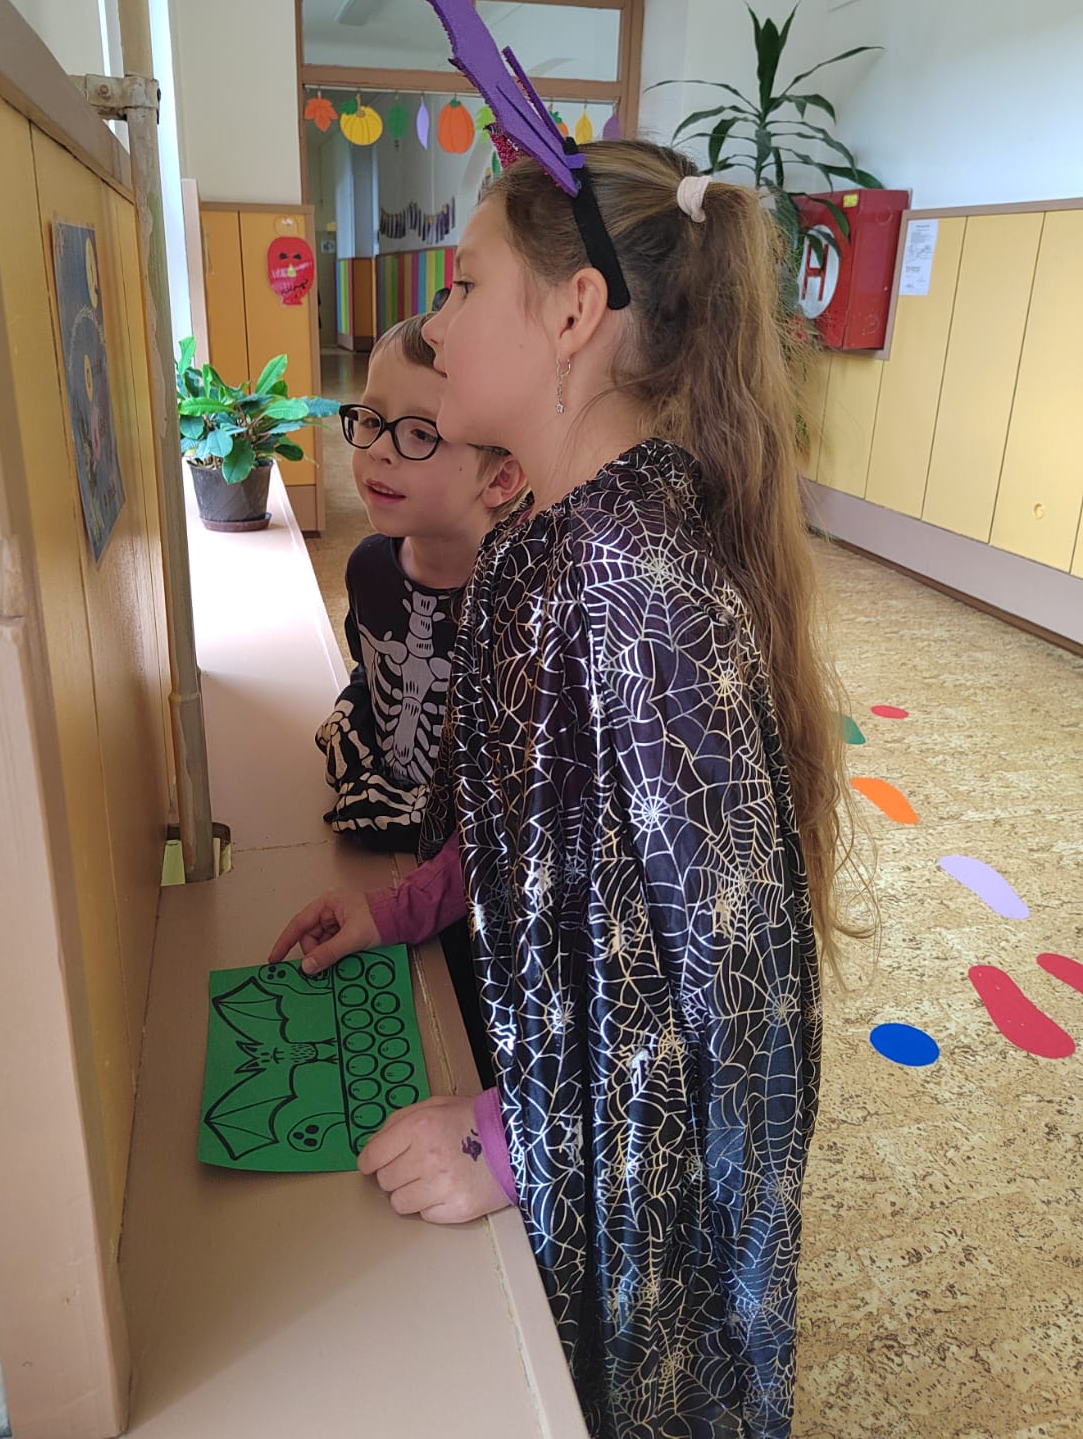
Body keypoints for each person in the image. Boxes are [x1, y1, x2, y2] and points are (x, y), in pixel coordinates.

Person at [271, 141, 859, 1439]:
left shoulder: (634, 587)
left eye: (464, 284)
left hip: (634, 1238)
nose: (434, 322)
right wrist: (403, 912)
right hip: (570, 1138)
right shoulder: (559, 545)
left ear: (575, 313)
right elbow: (554, 868)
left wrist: (513, 1139)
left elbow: (735, 1006)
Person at [315, 311, 524, 1080]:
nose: (376, 450)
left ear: (500, 478)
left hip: (484, 899)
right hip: (381, 861)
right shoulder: (368, 568)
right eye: (371, 420)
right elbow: (370, 675)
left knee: (469, 1050)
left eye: (419, 434)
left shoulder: (523, 610)